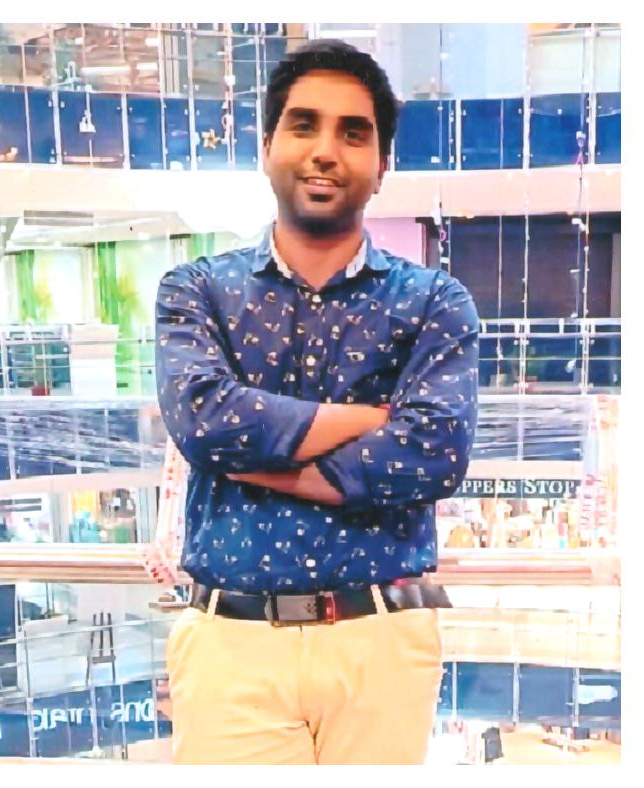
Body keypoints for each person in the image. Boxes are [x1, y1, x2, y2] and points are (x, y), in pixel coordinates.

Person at [154, 39, 479, 765]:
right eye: (303, 125)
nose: (325, 151)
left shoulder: (434, 301)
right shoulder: (196, 290)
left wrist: (263, 460)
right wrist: (368, 423)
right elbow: (206, 424)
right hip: (231, 645)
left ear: (383, 163)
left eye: (353, 133)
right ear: (267, 147)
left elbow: (435, 452)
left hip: (382, 642)